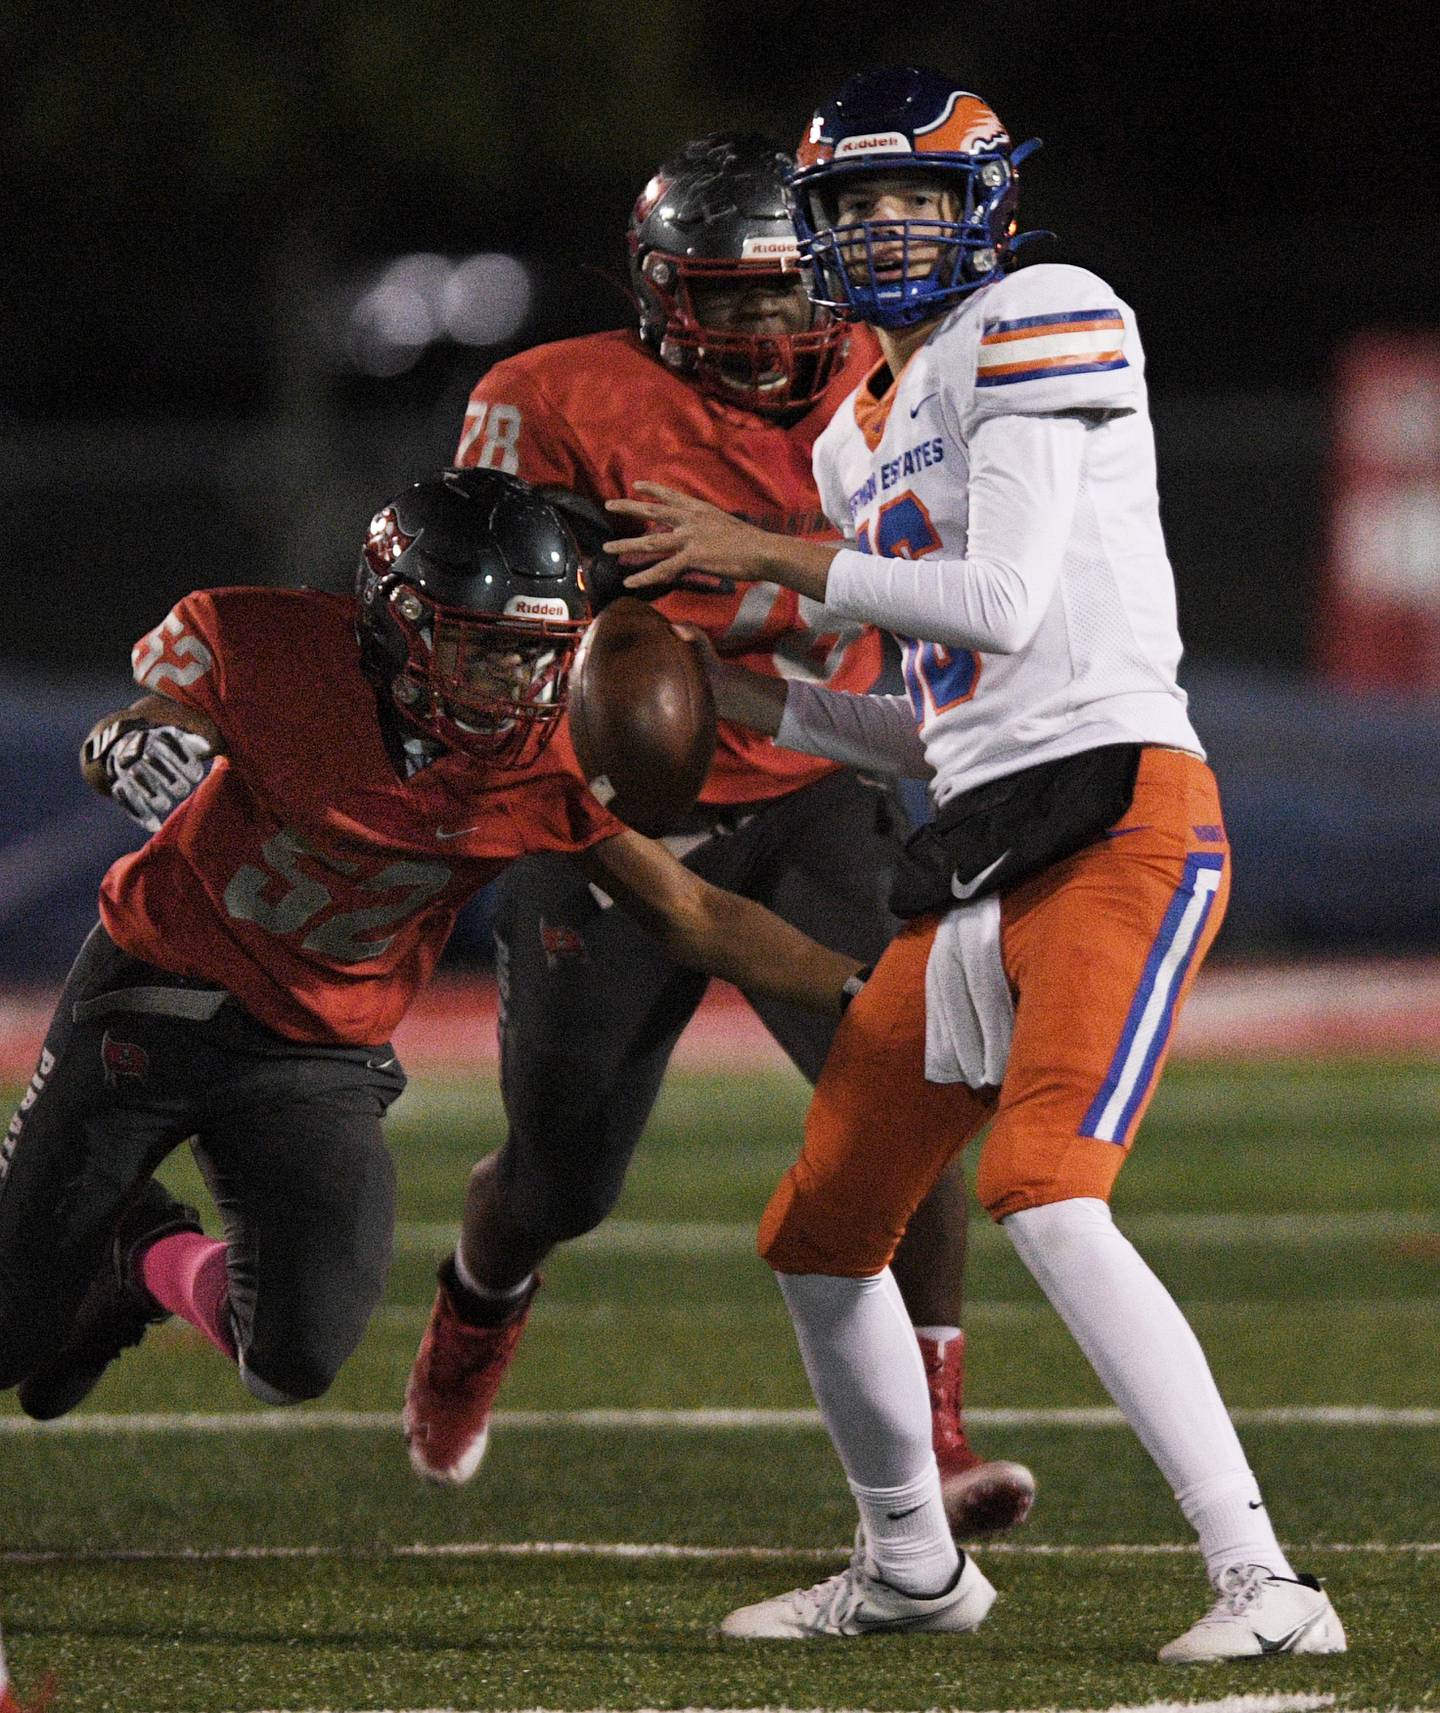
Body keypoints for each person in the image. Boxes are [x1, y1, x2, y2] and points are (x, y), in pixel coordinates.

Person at [607, 68, 1348, 1659]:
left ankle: (1268, 1585)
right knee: (819, 1228)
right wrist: (744, 695)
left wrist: (763, 560)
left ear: (986, 209)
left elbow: (1006, 601)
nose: (883, 233)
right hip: (981, 835)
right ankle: (912, 1567)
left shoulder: (1050, 310)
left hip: (1120, 810)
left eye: (914, 203)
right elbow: (927, 727)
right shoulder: (849, 437)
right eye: (855, 206)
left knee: (1047, 1193)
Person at [403, 131, 1035, 1536]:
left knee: (916, 1094)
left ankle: (934, 1431)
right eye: (729, 296)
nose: (765, 325)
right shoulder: (550, 399)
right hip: (618, 808)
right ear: (660, 290)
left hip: (813, 786)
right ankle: (478, 1299)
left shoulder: (905, 392)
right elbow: (500, 610)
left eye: (786, 290)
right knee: (561, 1178)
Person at [0, 469, 867, 1426]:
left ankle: (140, 1254)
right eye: (486, 652)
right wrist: (127, 747)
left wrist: (870, 991)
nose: (515, 686)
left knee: (293, 1356)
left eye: (536, 656)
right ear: (396, 623)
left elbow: (695, 916)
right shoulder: (272, 645)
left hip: (318, 1050)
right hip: (157, 994)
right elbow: (145, 726)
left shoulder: (547, 746)